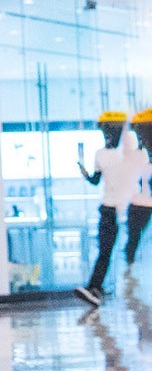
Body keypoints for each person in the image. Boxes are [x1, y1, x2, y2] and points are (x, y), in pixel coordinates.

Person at [75, 111, 144, 307]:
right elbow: (96, 180)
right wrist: (86, 174)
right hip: (109, 209)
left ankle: (129, 289)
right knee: (105, 251)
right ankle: (95, 287)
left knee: (129, 252)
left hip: (131, 208)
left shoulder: (133, 155)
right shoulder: (102, 155)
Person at [125, 109, 152, 271]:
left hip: (140, 204)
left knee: (134, 242)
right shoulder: (137, 156)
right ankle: (130, 270)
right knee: (133, 242)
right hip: (139, 204)